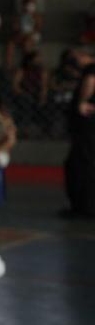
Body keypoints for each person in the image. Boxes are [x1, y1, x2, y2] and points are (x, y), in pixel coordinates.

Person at [64, 50, 95, 218]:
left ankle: (85, 206)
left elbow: (90, 80)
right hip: (85, 129)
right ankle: (83, 205)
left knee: (83, 165)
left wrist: (83, 101)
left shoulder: (91, 70)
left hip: (87, 129)